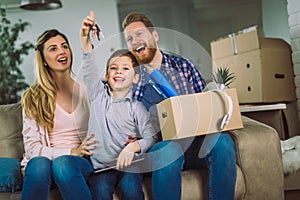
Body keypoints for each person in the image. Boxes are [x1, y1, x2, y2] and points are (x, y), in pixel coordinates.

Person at [122, 13, 237, 200]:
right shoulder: (131, 80)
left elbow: (206, 107)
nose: (135, 41)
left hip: (194, 145)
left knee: (222, 142)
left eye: (140, 34)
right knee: (168, 150)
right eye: (129, 38)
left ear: (155, 35)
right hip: (161, 149)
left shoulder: (184, 67)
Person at [80, 11, 158, 200]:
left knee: (131, 189)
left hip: (131, 166)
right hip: (101, 169)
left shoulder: (137, 107)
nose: (118, 72)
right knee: (99, 192)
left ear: (135, 77)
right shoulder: (98, 95)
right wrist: (85, 38)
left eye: (125, 69)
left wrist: (134, 147)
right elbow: (89, 66)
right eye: (113, 68)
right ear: (107, 76)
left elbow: (151, 137)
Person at [21, 29, 96, 200]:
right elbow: (32, 148)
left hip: (77, 165)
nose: (61, 51)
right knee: (39, 163)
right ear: (44, 59)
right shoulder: (33, 98)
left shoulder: (87, 89)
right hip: (45, 167)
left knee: (63, 164)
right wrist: (71, 150)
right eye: (53, 49)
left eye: (64, 46)